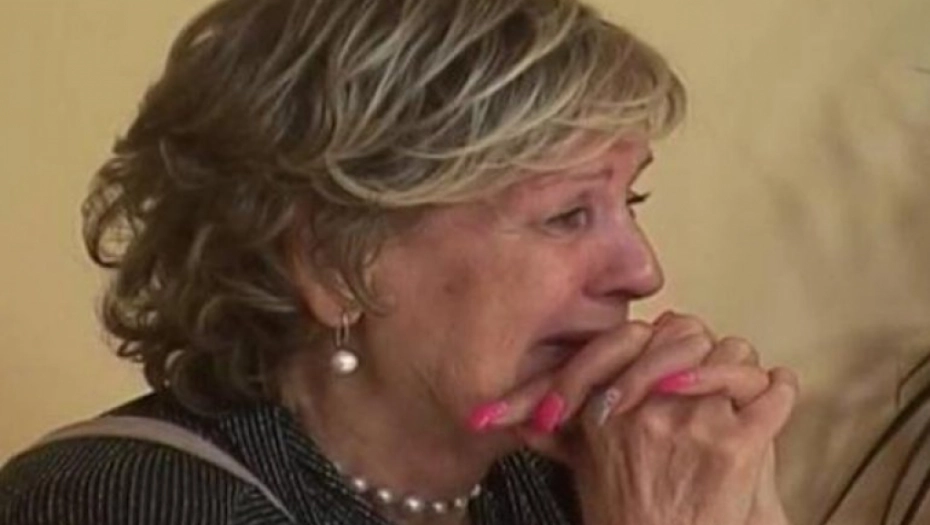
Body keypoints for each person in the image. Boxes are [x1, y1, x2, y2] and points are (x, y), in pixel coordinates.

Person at [0, 0, 799, 524]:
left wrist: (746, 505)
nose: (642, 271)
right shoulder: (112, 503)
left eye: (633, 201)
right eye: (567, 214)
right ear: (333, 260)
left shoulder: (574, 477)